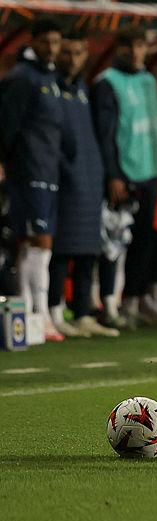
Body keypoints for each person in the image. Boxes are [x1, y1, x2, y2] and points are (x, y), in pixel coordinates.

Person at [91, 26, 157, 327]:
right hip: (123, 175)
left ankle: (133, 302)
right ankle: (106, 303)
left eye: (140, 46)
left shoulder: (148, 80)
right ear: (119, 50)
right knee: (114, 242)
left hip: (150, 173)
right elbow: (105, 135)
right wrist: (113, 174)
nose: (136, 52)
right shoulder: (106, 83)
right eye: (130, 46)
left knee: (143, 240)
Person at [48, 31, 119, 338]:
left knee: (89, 249)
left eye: (78, 53)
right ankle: (53, 310)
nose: (72, 59)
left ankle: (82, 312)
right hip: (65, 179)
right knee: (62, 249)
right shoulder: (48, 86)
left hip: (90, 179)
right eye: (67, 52)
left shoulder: (82, 89)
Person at [0, 18, 65, 341]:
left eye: (56, 43)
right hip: (28, 171)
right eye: (46, 43)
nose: (52, 49)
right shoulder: (22, 78)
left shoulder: (49, 77)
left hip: (47, 169)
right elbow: (7, 126)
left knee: (37, 243)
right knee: (37, 242)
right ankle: (34, 316)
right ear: (33, 42)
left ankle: (32, 318)